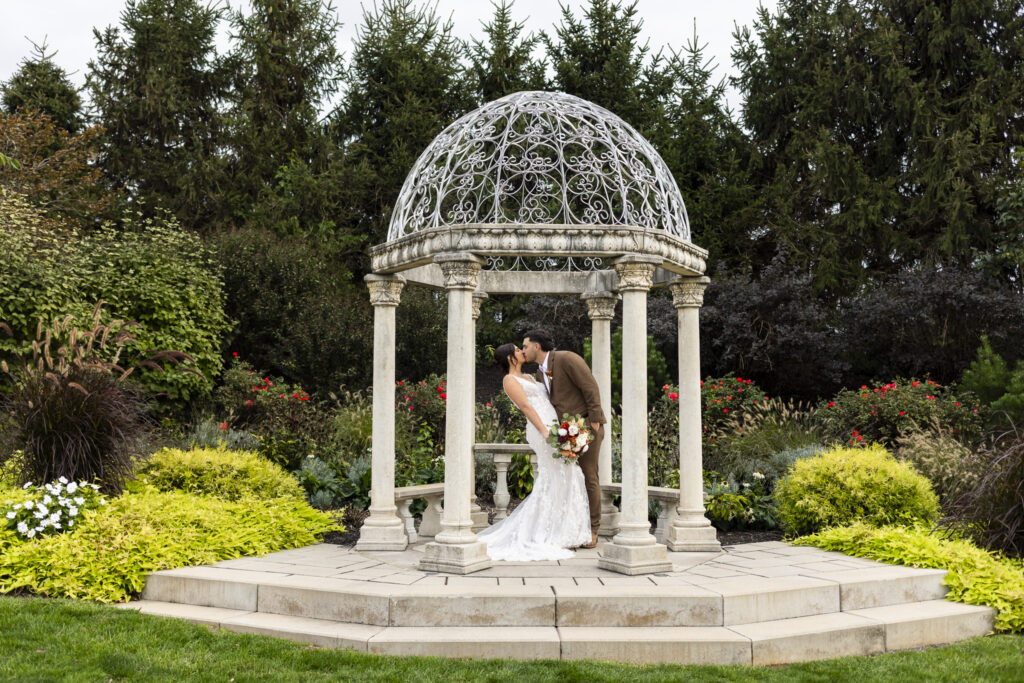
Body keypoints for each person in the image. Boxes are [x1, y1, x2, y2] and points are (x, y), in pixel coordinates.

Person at [476, 343, 591, 561]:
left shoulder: (530, 376)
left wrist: (564, 429)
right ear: (510, 358)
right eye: (518, 350)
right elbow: (527, 407)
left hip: (555, 425)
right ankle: (548, 532)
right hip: (542, 430)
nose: (522, 351)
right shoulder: (510, 380)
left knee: (568, 473)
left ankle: (566, 531)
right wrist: (545, 431)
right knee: (555, 474)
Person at [522, 328, 606, 549]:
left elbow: (589, 385)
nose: (524, 350)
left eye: (525, 346)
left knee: (589, 476)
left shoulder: (567, 358)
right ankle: (574, 528)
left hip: (586, 427)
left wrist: (594, 419)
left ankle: (594, 529)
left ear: (536, 346)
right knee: (571, 478)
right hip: (565, 434)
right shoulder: (541, 373)